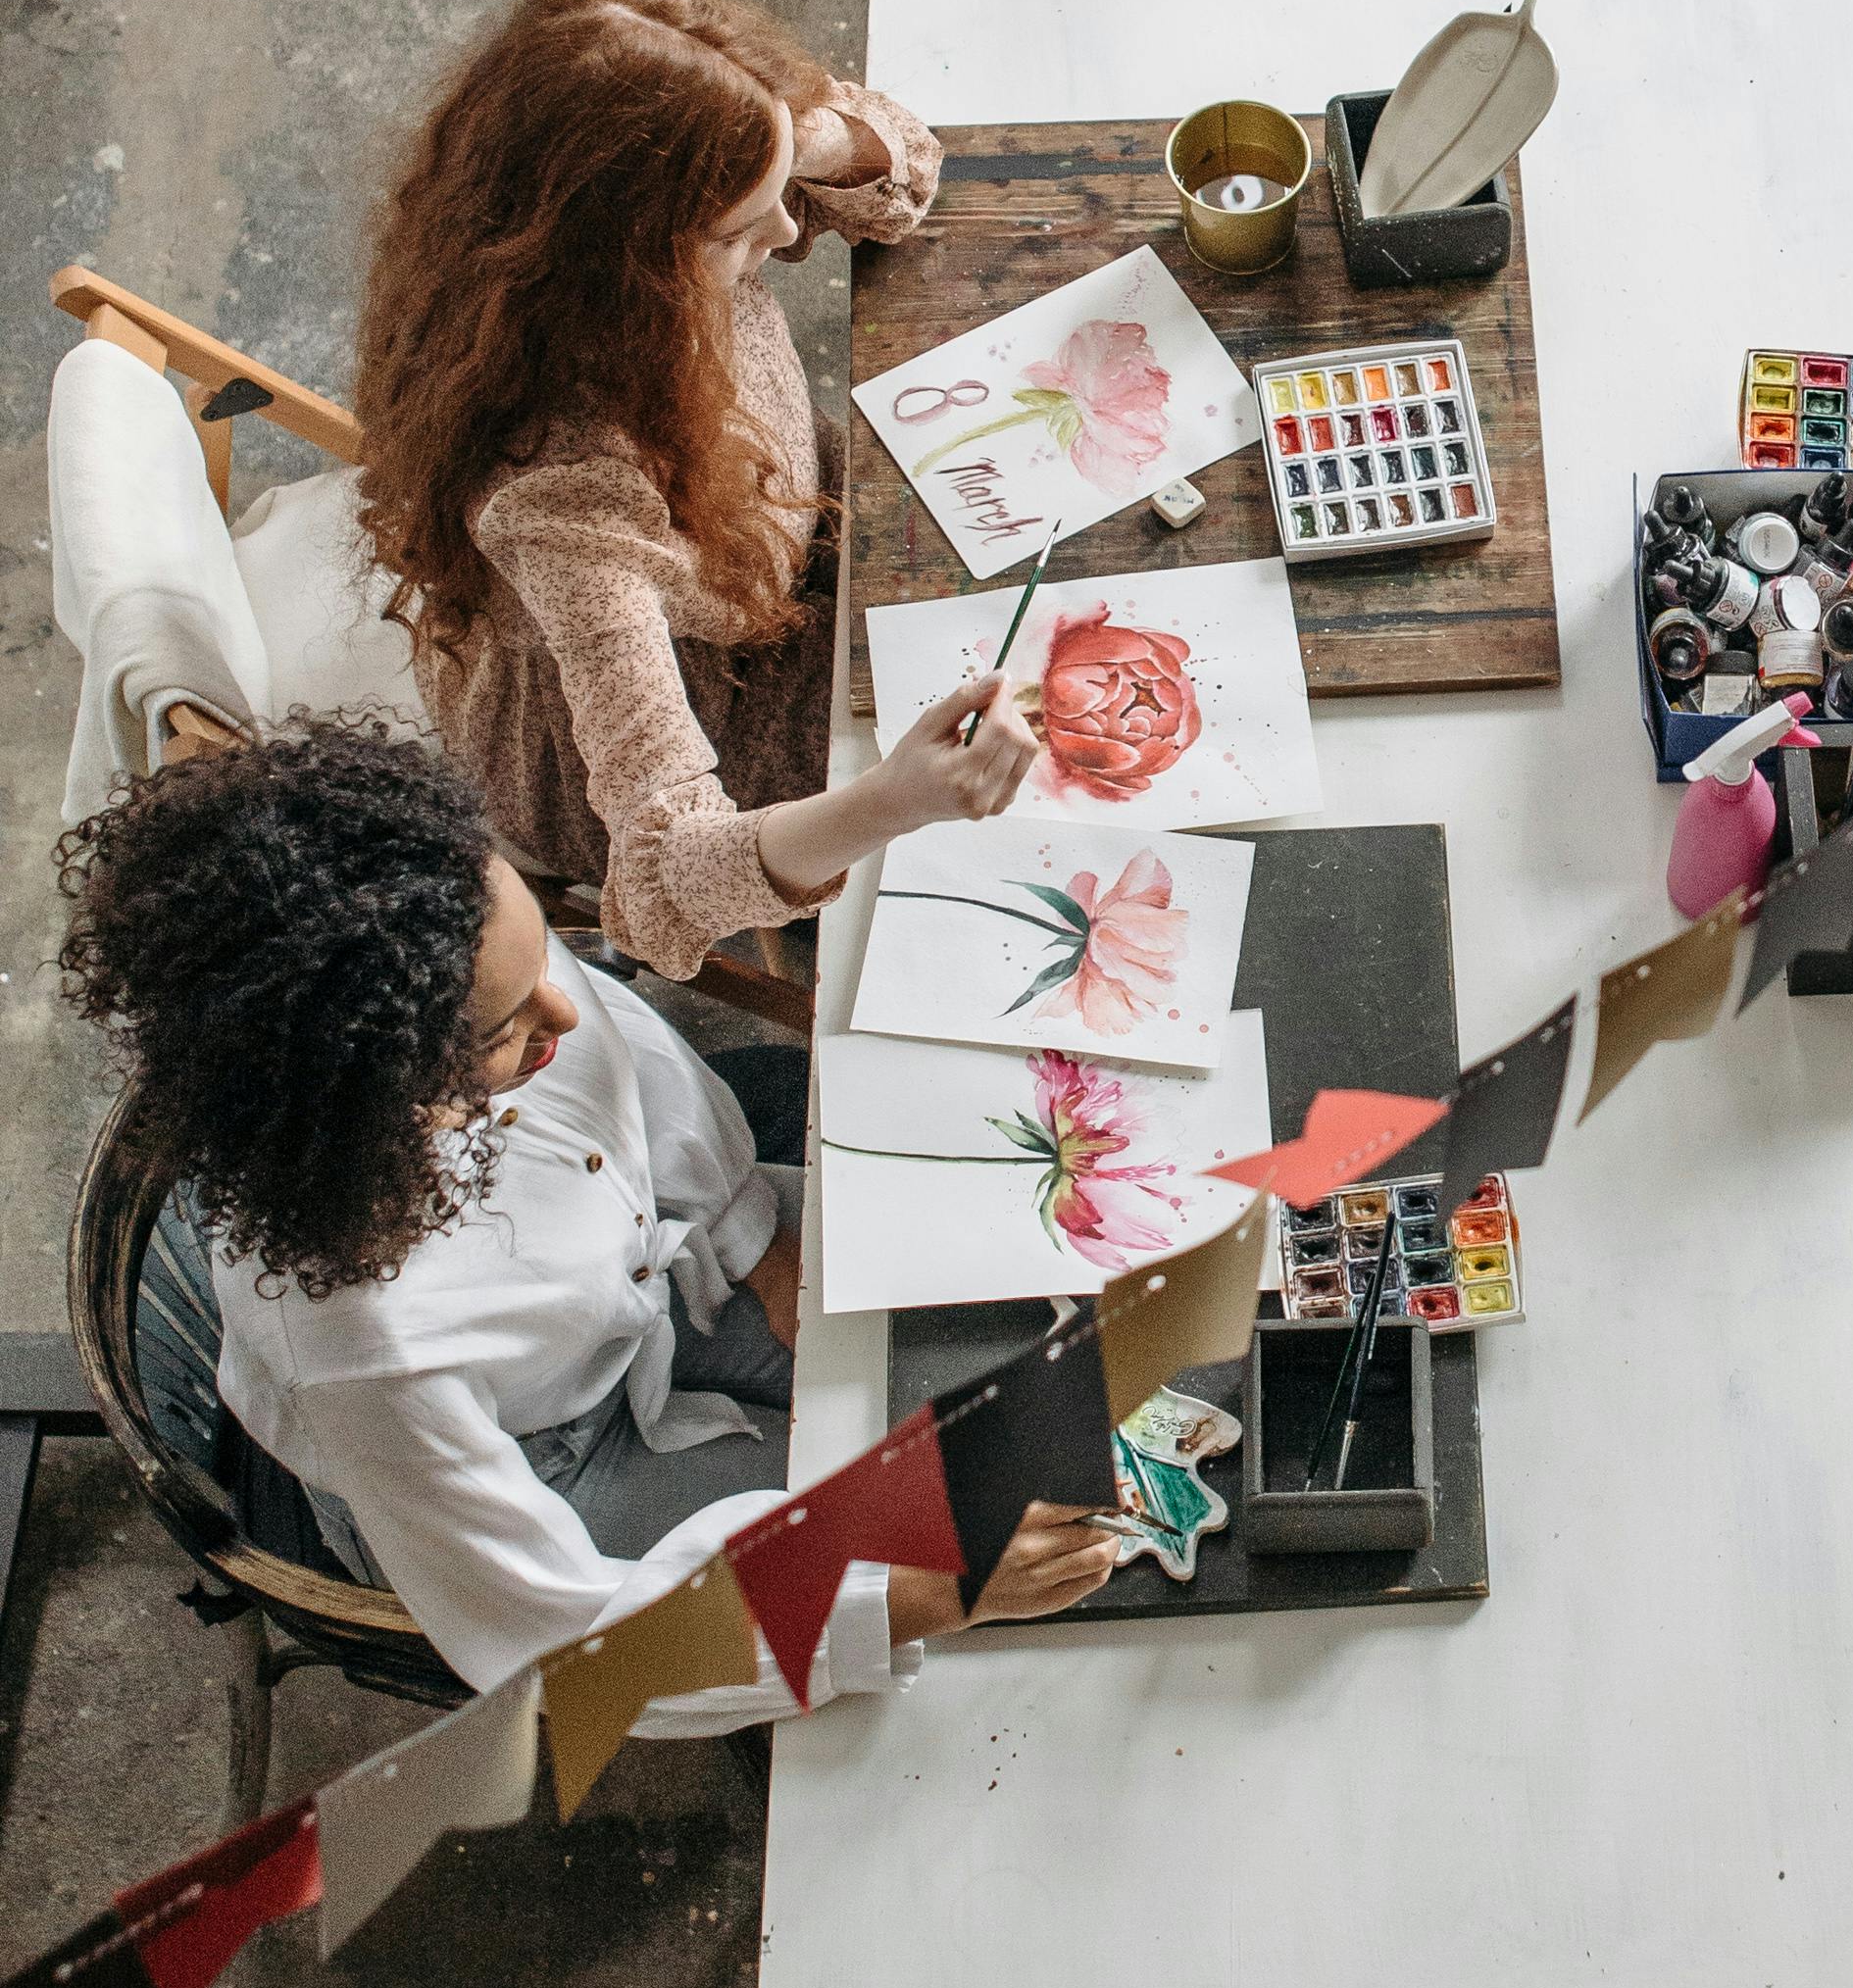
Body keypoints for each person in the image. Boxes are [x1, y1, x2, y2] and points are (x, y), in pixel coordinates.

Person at [57, 721, 1112, 1720]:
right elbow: (560, 1638)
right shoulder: (367, 1351)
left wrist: (756, 1240)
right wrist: (917, 1597)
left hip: (665, 1268)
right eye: (506, 1029)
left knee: (1036, 1357)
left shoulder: (453, 947)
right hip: (545, 1463)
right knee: (947, 1539)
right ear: (368, 1092)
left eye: (535, 964)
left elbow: (639, 1059)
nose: (565, 1008)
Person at [353, 0, 1036, 979]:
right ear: (625, 262)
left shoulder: (648, 233)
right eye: (740, 231)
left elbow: (903, 182)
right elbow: (668, 877)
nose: (794, 232)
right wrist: (894, 799)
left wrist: (782, 137)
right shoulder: (565, 500)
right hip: (706, 698)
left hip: (792, 528)